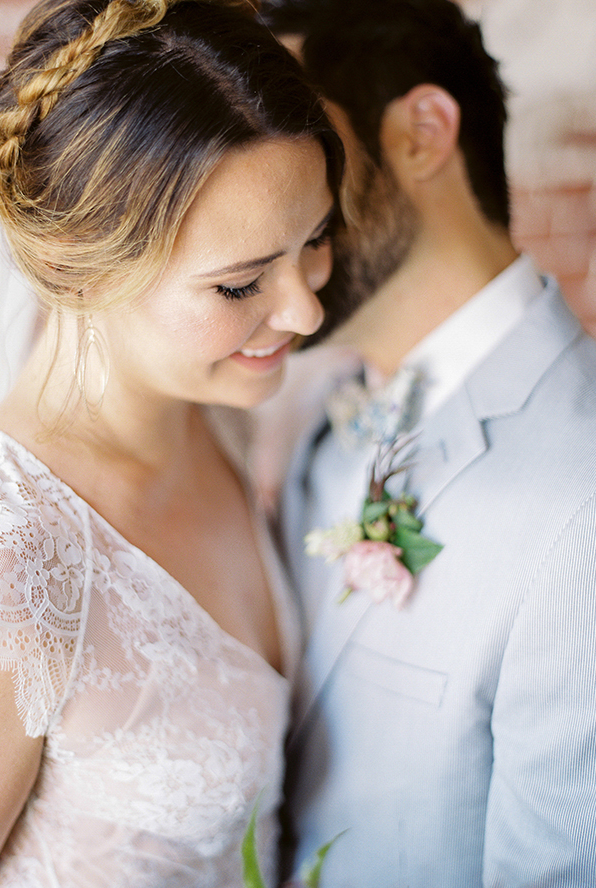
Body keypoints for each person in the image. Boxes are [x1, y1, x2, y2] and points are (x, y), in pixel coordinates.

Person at [0, 0, 344, 884]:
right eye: (240, 285)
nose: (306, 310)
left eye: (315, 239)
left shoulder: (224, 415)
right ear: (75, 270)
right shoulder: (2, 565)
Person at [258, 0, 596, 885]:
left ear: (421, 134)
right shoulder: (322, 420)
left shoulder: (581, 507)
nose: (255, 189)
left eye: (294, 133)